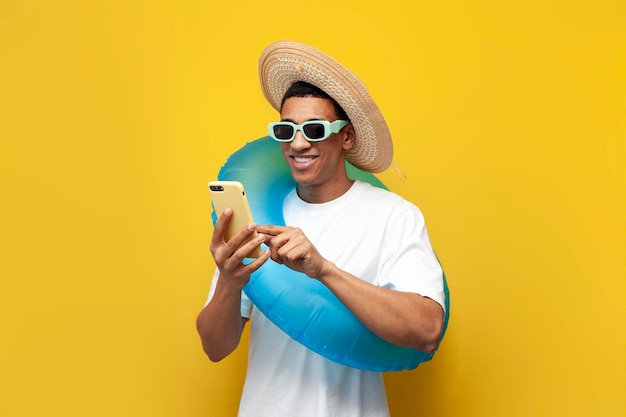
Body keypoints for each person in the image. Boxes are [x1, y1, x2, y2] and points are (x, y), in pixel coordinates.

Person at [196, 40, 446, 417]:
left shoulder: (393, 215)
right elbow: (215, 348)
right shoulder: (259, 218)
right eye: (286, 130)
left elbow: (427, 330)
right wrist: (229, 283)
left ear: (346, 136)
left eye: (314, 129)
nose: (298, 143)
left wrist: (322, 268)